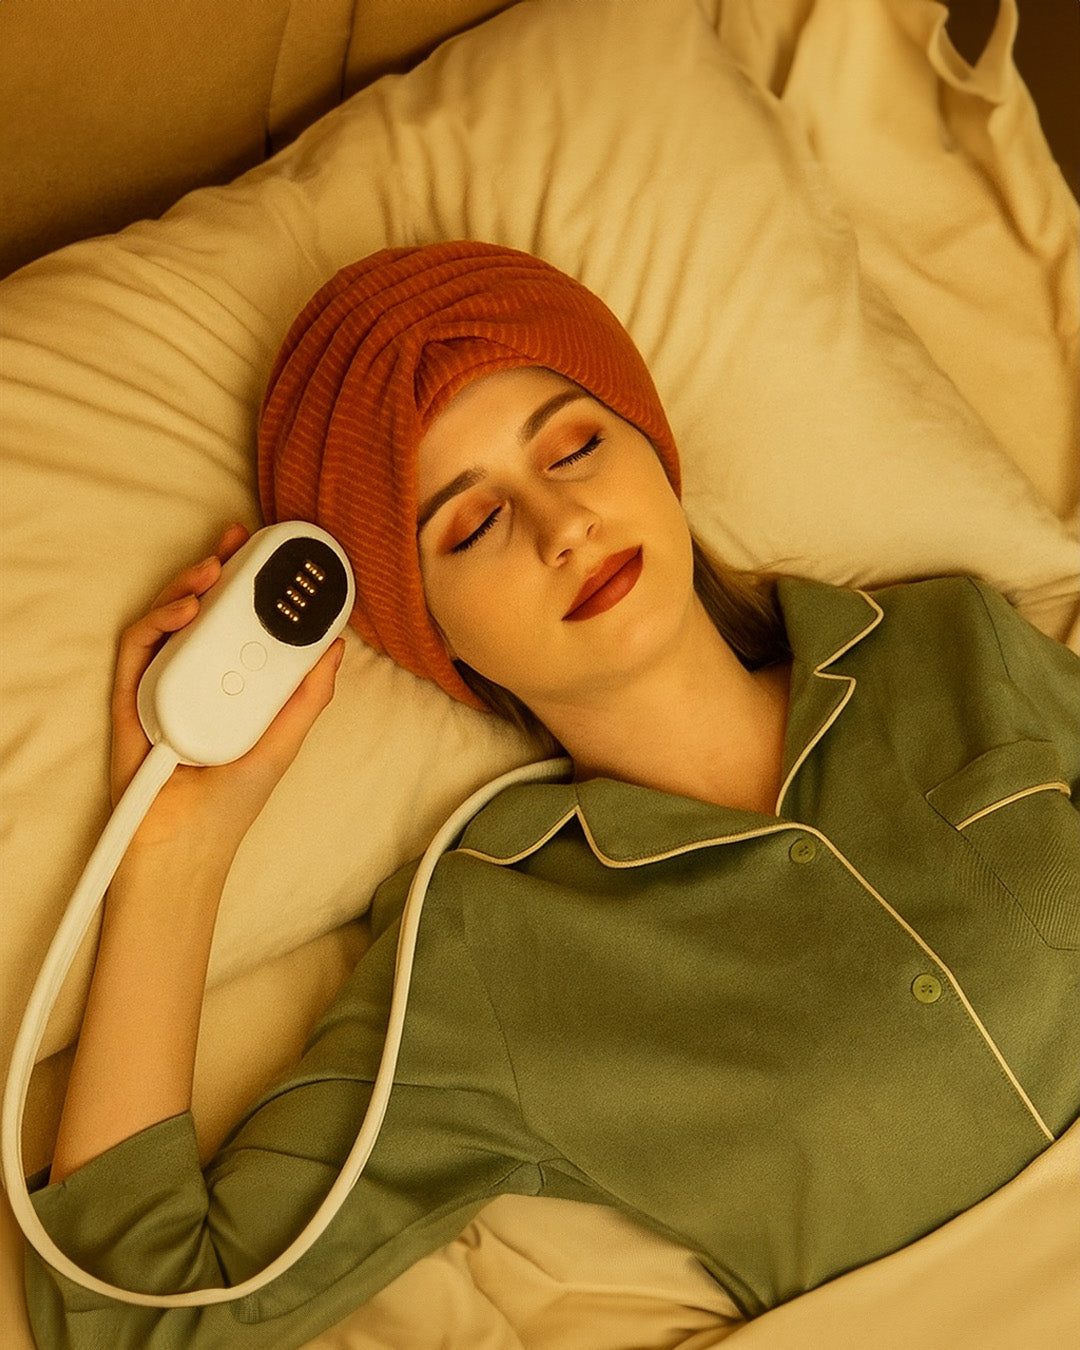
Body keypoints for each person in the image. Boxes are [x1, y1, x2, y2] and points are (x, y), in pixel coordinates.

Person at [25, 242, 1080, 1347]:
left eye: (575, 446)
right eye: (470, 524)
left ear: (652, 449)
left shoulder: (948, 646)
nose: (561, 525)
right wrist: (173, 854)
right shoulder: (494, 944)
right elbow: (134, 1320)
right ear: (427, 628)